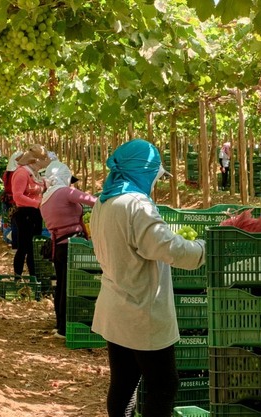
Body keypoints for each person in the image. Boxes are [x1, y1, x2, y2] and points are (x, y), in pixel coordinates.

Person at [90, 139, 205, 417]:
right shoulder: (136, 205)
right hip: (142, 310)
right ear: (144, 172)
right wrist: (203, 248)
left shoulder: (104, 202)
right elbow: (170, 249)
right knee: (164, 384)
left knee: (124, 382)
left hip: (116, 304)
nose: (155, 182)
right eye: (155, 175)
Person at [40, 161, 96, 338]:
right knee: (70, 286)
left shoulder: (46, 198)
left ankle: (60, 324)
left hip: (58, 246)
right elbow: (92, 201)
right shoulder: (65, 192)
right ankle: (65, 328)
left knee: (62, 285)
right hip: (72, 246)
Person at [12, 144, 50, 277]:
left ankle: (33, 277)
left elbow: (40, 187)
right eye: (43, 160)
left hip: (35, 214)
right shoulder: (22, 173)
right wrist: (37, 204)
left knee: (33, 248)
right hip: (25, 214)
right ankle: (18, 277)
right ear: (35, 160)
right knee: (23, 247)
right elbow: (18, 196)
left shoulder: (35, 173)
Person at [2, 150, 23, 248]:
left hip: (8, 199)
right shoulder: (17, 173)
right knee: (16, 223)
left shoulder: (7, 173)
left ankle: (12, 242)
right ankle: (15, 244)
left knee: (11, 221)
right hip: (14, 201)